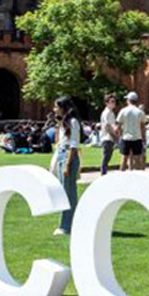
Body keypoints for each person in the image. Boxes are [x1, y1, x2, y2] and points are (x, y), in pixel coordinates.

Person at [51, 96, 82, 236]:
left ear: (63, 108)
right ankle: (72, 223)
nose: (54, 109)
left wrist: (67, 165)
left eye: (56, 107)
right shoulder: (64, 123)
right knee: (67, 192)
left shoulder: (73, 122)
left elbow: (73, 146)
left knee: (68, 193)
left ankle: (66, 226)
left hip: (68, 157)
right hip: (62, 154)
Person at [116, 92, 146, 171]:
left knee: (124, 159)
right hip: (137, 137)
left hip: (126, 137)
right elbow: (142, 127)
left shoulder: (123, 111)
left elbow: (118, 126)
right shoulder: (140, 112)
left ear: (128, 100)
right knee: (137, 159)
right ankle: (138, 177)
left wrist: (119, 136)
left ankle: (121, 176)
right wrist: (143, 138)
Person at [98, 94, 120, 175]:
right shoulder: (107, 113)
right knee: (106, 158)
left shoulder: (111, 113)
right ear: (106, 103)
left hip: (109, 138)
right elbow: (108, 126)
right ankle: (103, 174)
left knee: (107, 158)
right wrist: (115, 137)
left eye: (114, 101)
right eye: (112, 102)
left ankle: (103, 173)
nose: (114, 103)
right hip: (107, 138)